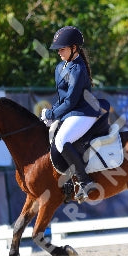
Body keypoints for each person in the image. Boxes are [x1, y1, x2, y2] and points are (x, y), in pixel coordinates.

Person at [40, 26, 101, 202]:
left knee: (61, 140)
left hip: (84, 112)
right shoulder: (61, 67)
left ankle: (85, 182)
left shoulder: (78, 69)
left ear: (74, 48)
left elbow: (71, 101)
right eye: (58, 49)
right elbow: (62, 98)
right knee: (50, 136)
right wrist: (50, 113)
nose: (59, 52)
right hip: (70, 112)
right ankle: (66, 181)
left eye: (63, 49)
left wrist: (52, 114)